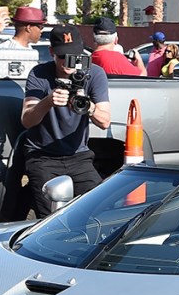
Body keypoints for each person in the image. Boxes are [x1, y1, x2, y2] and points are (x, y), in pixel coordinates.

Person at [19, 25, 111, 218]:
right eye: (63, 56)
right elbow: (27, 120)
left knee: (97, 207)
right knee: (49, 217)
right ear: (52, 52)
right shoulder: (40, 74)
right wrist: (48, 102)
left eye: (75, 55)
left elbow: (104, 122)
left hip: (78, 156)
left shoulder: (93, 73)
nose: (70, 62)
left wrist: (89, 107)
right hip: (42, 156)